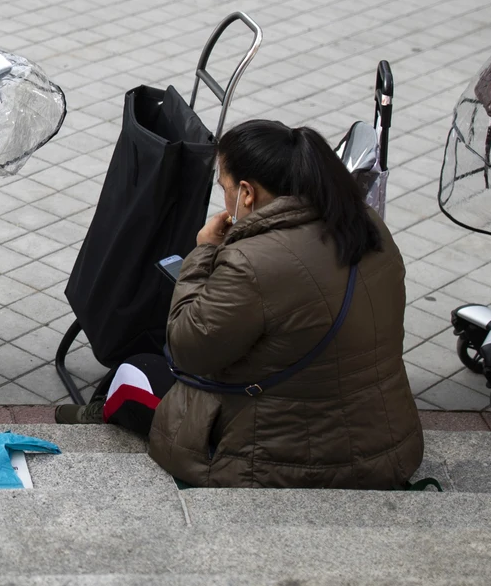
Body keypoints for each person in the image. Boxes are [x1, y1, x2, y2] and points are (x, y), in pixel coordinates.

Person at [147, 120, 422, 489]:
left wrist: (205, 252)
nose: (224, 200)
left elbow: (186, 348)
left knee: (138, 372)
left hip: (288, 460)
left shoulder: (252, 260)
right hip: (388, 444)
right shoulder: (366, 222)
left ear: (247, 193)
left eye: (225, 188)